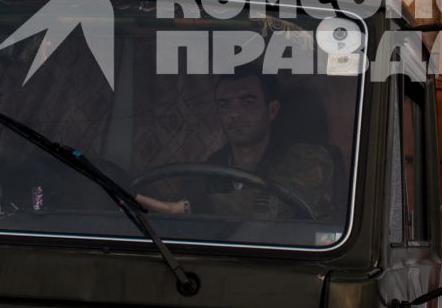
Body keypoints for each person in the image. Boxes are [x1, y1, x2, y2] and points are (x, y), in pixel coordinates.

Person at [137, 71, 335, 219]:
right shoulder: (210, 169)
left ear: (272, 110)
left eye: (247, 102)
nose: (234, 113)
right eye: (224, 104)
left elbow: (277, 201)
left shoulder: (310, 159)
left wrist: (191, 208)